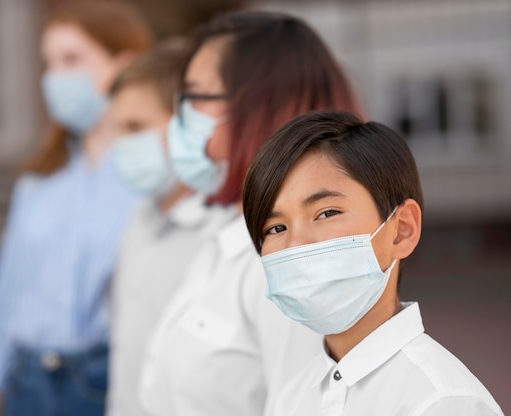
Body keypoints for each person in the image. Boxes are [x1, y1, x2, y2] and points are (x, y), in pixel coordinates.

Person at [137, 11, 363, 416]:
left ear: (262, 107)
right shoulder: (224, 230)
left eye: (194, 99)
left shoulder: (295, 259)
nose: (177, 121)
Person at [242, 111, 504, 416]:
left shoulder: (443, 402)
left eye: (327, 213)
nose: (296, 244)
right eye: (275, 228)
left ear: (401, 229)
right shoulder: (291, 396)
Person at [0, 2, 152, 416]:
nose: (55, 76)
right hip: (25, 383)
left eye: (71, 59)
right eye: (49, 62)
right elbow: (6, 292)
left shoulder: (149, 176)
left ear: (123, 65)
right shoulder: (38, 178)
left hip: (106, 383)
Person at [104, 38, 237, 416]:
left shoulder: (229, 230)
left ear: (187, 124)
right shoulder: (137, 222)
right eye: (117, 129)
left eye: (136, 126)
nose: (122, 144)